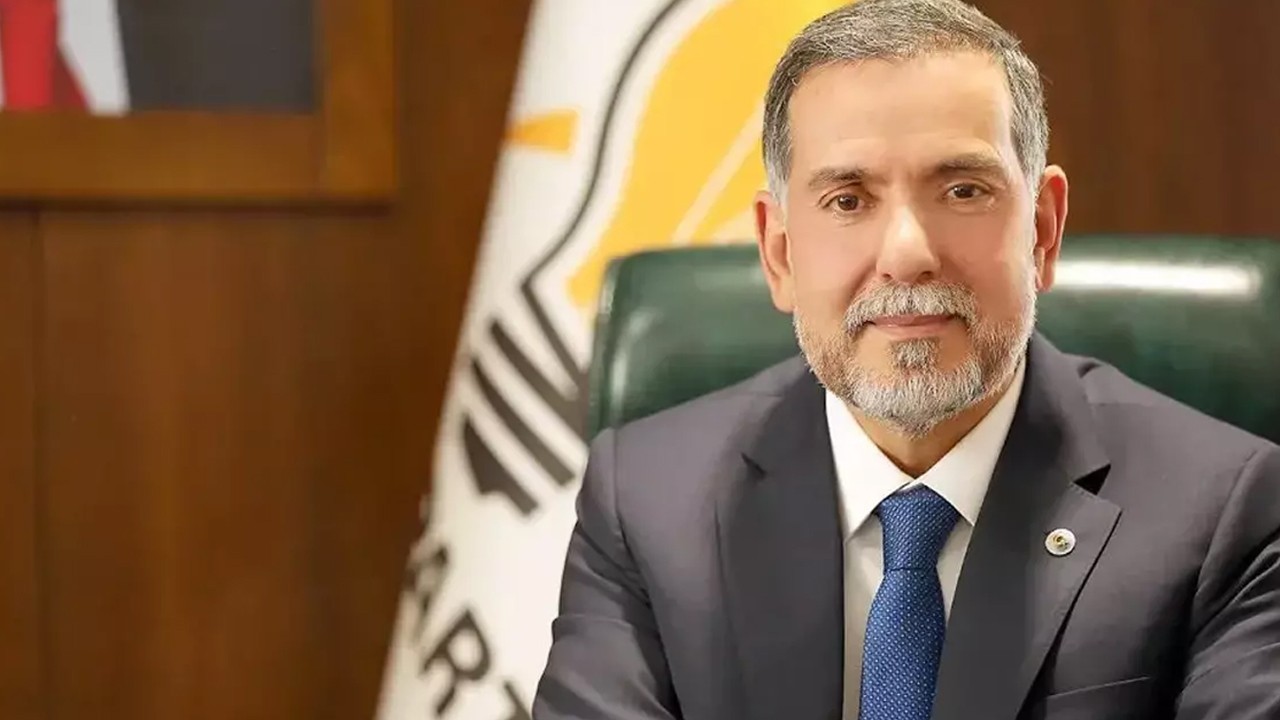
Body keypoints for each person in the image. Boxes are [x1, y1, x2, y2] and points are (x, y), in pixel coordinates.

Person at [532, 1, 1280, 718]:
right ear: (778, 251)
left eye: (963, 190)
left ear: (1043, 231)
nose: (907, 253)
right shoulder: (646, 504)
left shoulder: (1226, 514)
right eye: (848, 200)